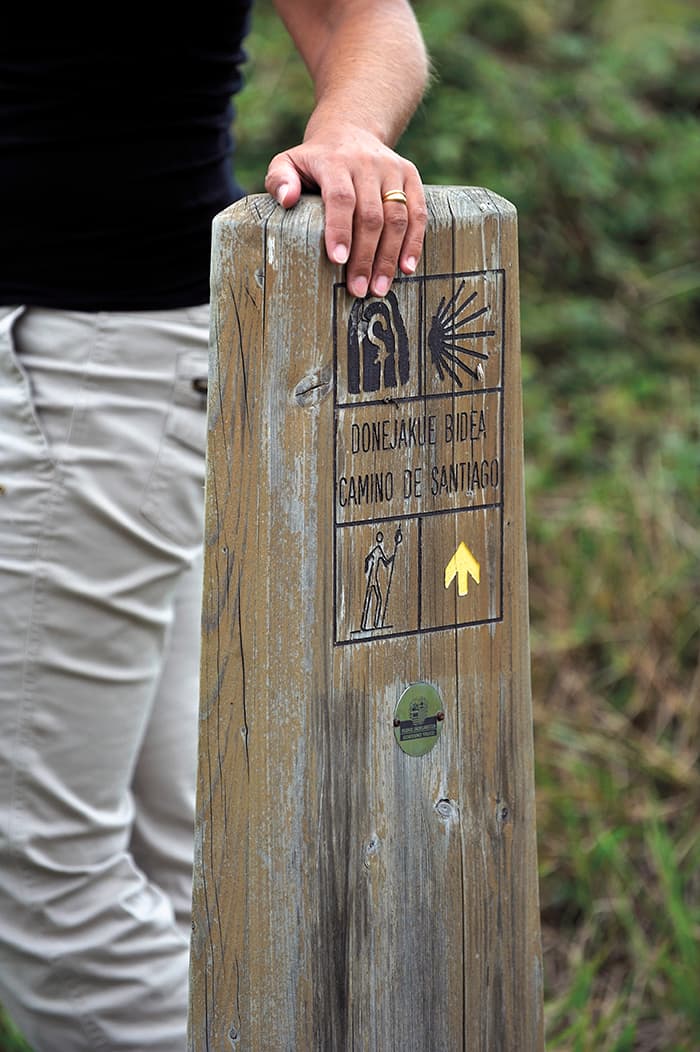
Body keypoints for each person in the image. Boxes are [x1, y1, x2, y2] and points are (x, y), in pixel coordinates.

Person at [0, 3, 429, 1049]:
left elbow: (365, 18)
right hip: (91, 361)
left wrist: (347, 129)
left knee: (43, 877)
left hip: (78, 353)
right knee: (183, 853)